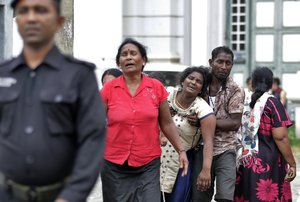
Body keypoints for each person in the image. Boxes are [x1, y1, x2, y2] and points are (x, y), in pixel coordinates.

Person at [0, 0, 107, 202]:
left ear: (58, 21)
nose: (31, 17)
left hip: (60, 196)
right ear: (17, 19)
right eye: (24, 11)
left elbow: (92, 139)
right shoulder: (3, 74)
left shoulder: (79, 76)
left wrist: (72, 195)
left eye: (41, 10)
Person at [100, 38, 189, 202]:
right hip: (114, 165)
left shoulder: (156, 88)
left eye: (133, 54)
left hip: (148, 163)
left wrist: (181, 150)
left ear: (144, 61)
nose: (128, 57)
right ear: (119, 62)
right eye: (124, 55)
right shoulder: (108, 89)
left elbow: (167, 123)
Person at [234, 67, 296, 202]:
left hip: (245, 158)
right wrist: (292, 164)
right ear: (270, 83)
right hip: (268, 161)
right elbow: (281, 137)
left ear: (252, 83)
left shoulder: (242, 101)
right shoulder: (272, 103)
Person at [191, 46, 245, 202]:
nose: (224, 66)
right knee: (200, 196)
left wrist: (204, 121)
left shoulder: (235, 89)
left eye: (228, 63)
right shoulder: (200, 84)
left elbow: (234, 123)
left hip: (225, 149)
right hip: (200, 147)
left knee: (225, 197)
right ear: (211, 62)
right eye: (219, 62)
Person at [160, 66, 216, 201]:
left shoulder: (203, 109)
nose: (193, 82)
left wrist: (206, 170)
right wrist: (162, 111)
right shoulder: (166, 96)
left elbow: (209, 141)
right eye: (190, 78)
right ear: (183, 80)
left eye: (198, 81)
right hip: (156, 159)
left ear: (202, 88)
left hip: (181, 163)